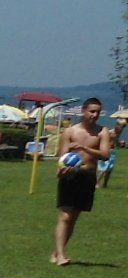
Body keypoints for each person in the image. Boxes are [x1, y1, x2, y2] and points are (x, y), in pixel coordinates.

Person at [52, 98, 117, 266]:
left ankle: (57, 252)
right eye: (92, 111)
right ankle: (61, 256)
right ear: (83, 111)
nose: (95, 115)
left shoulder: (102, 132)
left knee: (73, 218)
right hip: (70, 176)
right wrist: (62, 169)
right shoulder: (70, 132)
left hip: (87, 177)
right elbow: (62, 156)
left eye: (98, 112)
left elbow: (105, 155)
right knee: (65, 216)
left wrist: (85, 148)